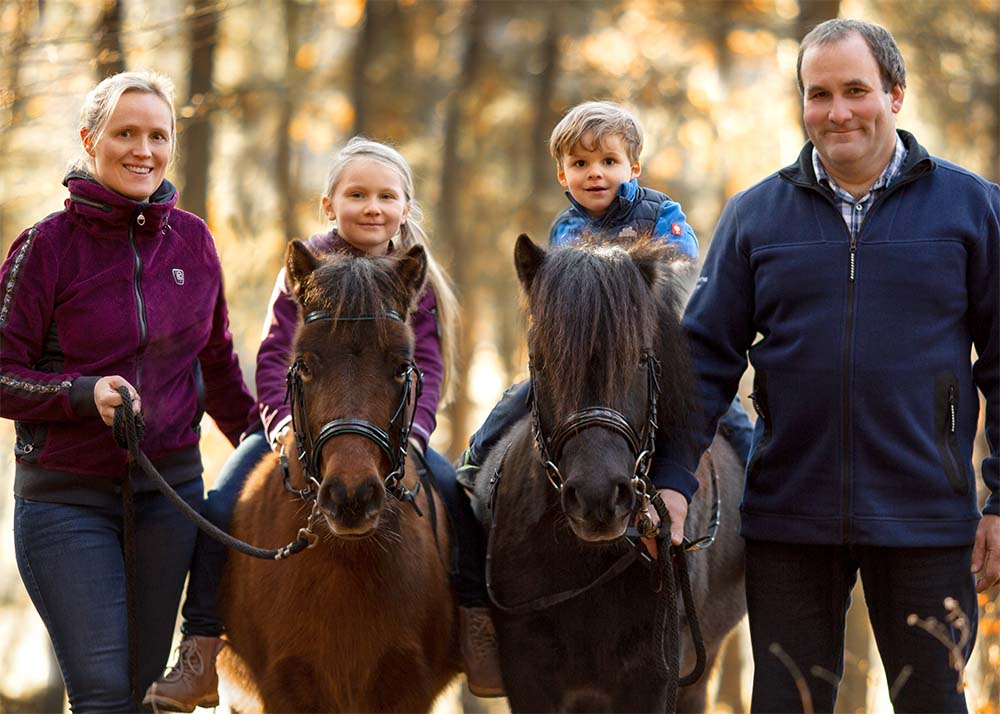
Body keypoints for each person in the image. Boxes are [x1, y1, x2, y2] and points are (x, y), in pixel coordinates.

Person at [657, 19, 1000, 713]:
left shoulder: (972, 209)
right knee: (788, 703)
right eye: (819, 94)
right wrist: (671, 477)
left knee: (932, 703)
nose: (837, 111)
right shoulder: (755, 216)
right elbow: (703, 360)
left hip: (927, 518)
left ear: (895, 94)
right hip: (790, 518)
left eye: (855, 90)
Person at [143, 136, 503, 709]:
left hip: (390, 430)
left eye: (386, 196)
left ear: (405, 207)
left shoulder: (412, 276)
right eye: (357, 194)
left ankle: (476, 626)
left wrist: (414, 430)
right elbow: (273, 356)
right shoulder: (306, 268)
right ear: (328, 204)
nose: (372, 207)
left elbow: (427, 365)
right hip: (302, 425)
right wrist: (281, 425)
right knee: (220, 505)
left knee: (457, 498)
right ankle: (201, 645)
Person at [0, 71, 256, 713]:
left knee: (145, 697)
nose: (143, 150)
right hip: (67, 502)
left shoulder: (194, 241)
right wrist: (81, 393)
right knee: (104, 697)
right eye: (125, 133)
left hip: (169, 498)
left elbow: (218, 363)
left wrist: (266, 440)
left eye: (158, 136)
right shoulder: (45, 248)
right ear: (90, 140)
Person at [459, 101, 754, 521]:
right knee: (522, 394)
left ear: (633, 167)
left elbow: (681, 263)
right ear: (563, 174)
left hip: (654, 345)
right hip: (586, 355)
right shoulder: (565, 228)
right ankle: (476, 459)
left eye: (608, 161)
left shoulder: (660, 213)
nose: (595, 173)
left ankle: (756, 474)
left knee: (722, 407)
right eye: (580, 163)